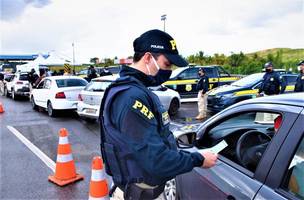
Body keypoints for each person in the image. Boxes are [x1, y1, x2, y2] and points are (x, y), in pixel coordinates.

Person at [99, 29, 218, 200]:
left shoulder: (138, 90)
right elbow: (157, 160)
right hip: (138, 194)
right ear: (148, 58)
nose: (168, 70)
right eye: (167, 64)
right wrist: (198, 159)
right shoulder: (131, 97)